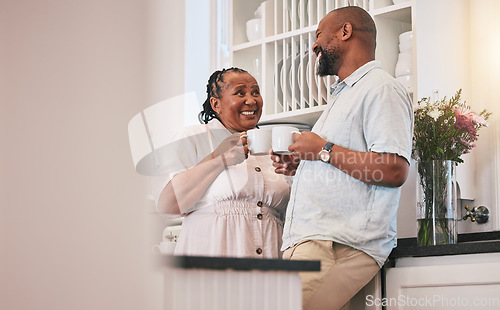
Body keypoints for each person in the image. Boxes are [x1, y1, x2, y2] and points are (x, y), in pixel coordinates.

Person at [271, 6, 414, 310]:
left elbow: (393, 170)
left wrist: (322, 150)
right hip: (319, 243)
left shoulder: (381, 89)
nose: (314, 46)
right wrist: (305, 163)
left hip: (338, 245)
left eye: (319, 35)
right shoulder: (343, 95)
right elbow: (342, 161)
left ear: (345, 32)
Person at [156, 67, 291, 258]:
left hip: (269, 265)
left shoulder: (273, 149)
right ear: (216, 104)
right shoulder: (195, 138)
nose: (251, 100)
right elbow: (168, 205)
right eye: (240, 92)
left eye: (255, 92)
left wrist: (295, 170)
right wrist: (222, 160)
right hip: (211, 263)